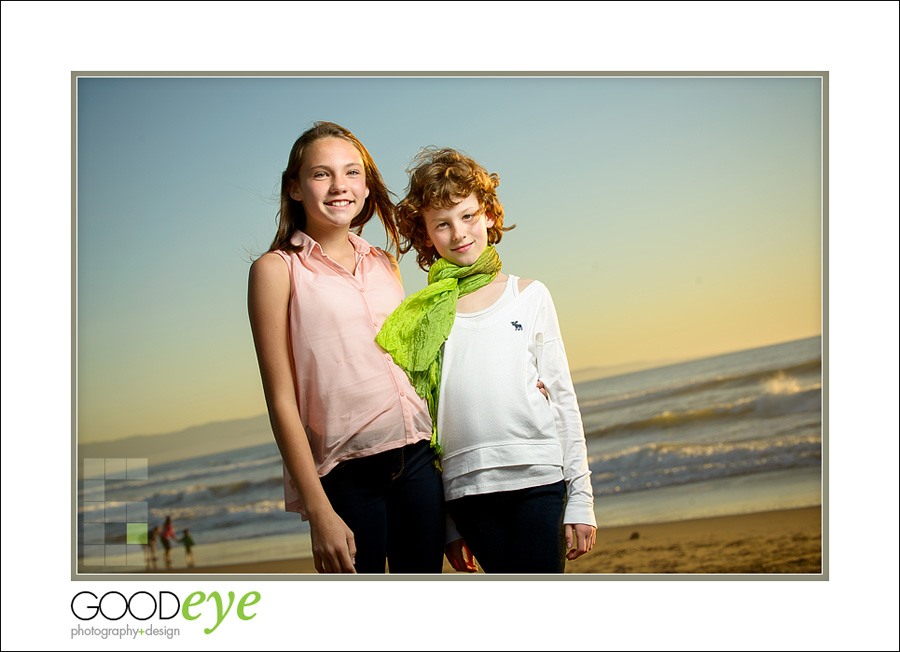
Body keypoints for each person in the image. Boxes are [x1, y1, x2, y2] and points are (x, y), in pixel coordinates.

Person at [377, 147, 597, 573]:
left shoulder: (529, 295)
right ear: (425, 235)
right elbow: (425, 418)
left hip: (538, 476)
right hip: (466, 488)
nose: (459, 232)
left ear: (490, 215)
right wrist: (446, 524)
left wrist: (582, 498)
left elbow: (562, 399)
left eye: (468, 216)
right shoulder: (423, 314)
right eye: (442, 224)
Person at [247, 122, 446, 574]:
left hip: (417, 457)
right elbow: (281, 400)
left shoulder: (385, 263)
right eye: (321, 174)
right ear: (295, 188)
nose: (340, 186)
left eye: (352, 172)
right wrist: (319, 511)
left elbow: (416, 369)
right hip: (346, 476)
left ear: (366, 183)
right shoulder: (276, 271)